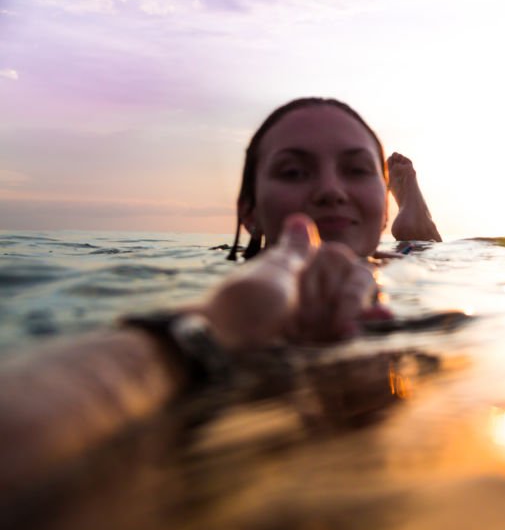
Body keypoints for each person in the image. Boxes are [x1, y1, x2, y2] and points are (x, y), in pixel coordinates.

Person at [0, 97, 442, 489]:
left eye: (357, 169)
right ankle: (416, 228)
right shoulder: (222, 293)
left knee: (422, 253)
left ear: (379, 210)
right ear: (249, 213)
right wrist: (219, 324)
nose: (330, 190)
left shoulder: (404, 278)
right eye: (293, 171)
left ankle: (413, 218)